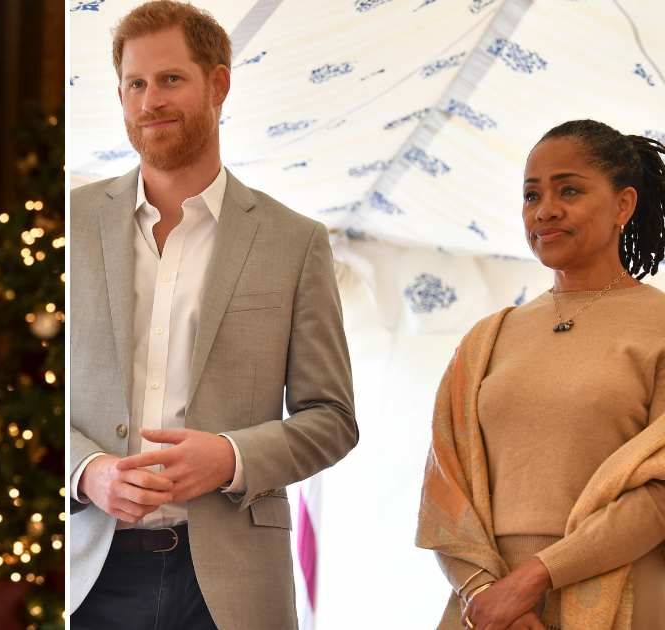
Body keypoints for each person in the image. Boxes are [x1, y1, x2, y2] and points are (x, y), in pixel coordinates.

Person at [68, 2, 357, 628]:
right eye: (135, 85)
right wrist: (87, 472)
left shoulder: (295, 240)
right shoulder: (69, 222)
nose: (150, 101)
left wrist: (230, 457)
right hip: (87, 576)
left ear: (218, 84)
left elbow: (332, 419)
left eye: (171, 79)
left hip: (232, 586)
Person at [417, 119, 665, 630]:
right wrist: (488, 593)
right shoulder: (487, 338)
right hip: (489, 612)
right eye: (532, 195)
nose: (545, 209)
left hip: (627, 595)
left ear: (624, 205)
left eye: (568, 190)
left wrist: (533, 579)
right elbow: (445, 492)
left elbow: (661, 493)